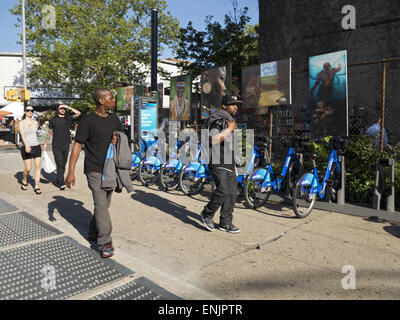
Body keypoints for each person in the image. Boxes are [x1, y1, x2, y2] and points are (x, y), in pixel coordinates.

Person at [65, 88, 121, 258]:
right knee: (101, 204)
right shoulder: (87, 121)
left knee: (104, 204)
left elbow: (121, 139)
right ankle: (105, 242)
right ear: (102, 101)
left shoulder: (114, 119)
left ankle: (92, 231)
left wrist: (117, 140)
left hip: (110, 168)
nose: (114, 100)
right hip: (94, 169)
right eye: (111, 98)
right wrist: (71, 172)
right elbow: (77, 146)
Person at [200, 95, 241, 234]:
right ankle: (207, 213)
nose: (236, 106)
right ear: (224, 106)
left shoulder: (229, 119)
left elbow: (230, 143)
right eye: (232, 104)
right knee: (223, 190)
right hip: (217, 159)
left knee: (231, 193)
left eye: (236, 104)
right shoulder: (217, 118)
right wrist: (229, 129)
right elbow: (213, 140)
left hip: (228, 160)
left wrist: (234, 163)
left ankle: (225, 222)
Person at [43, 104, 81, 190]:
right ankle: (61, 182)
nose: (63, 109)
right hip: (56, 144)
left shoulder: (68, 118)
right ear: (57, 109)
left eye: (64, 108)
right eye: (61, 108)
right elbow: (50, 131)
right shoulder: (53, 120)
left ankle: (58, 177)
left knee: (63, 164)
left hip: (66, 144)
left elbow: (78, 113)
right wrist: (46, 143)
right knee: (59, 163)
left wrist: (68, 107)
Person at [19, 105, 42, 195]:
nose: (30, 112)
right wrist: (27, 145)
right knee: (28, 168)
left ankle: (37, 185)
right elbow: (23, 135)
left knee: (38, 167)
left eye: (31, 110)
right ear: (25, 112)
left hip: (36, 146)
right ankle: (24, 180)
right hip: (26, 147)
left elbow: (36, 134)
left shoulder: (36, 122)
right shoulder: (22, 123)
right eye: (28, 110)